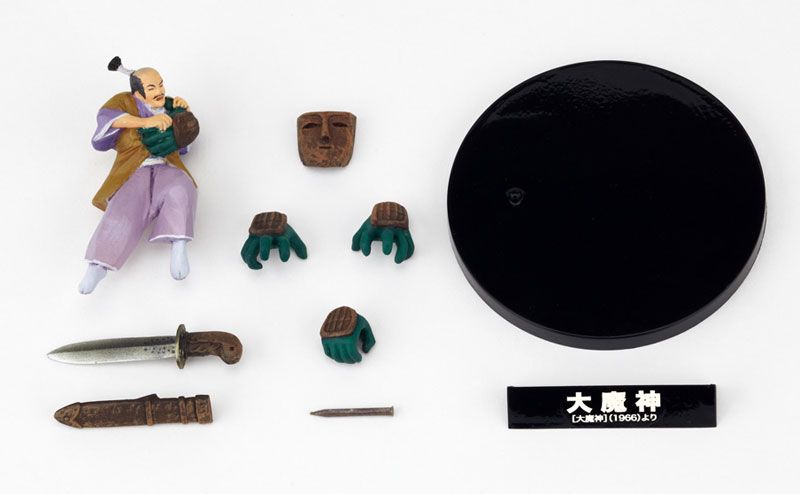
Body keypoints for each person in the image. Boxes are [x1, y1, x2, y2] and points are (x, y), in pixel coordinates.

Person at [79, 60, 197, 294]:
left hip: (167, 166)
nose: (159, 91)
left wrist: (185, 115)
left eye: (161, 84)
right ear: (138, 93)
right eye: (152, 88)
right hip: (134, 170)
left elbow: (184, 146)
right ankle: (98, 266)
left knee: (182, 188)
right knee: (123, 210)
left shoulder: (170, 106)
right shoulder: (123, 102)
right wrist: (146, 121)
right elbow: (108, 122)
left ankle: (179, 245)